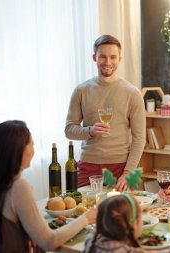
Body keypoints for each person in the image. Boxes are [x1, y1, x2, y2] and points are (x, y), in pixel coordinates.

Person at [0, 120, 97, 252]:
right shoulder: (19, 187)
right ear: (18, 150)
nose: (34, 150)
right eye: (32, 145)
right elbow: (49, 241)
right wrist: (85, 219)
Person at [65, 34, 146, 191]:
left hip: (120, 167)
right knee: (83, 212)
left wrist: (128, 172)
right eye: (102, 57)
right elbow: (69, 130)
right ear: (94, 57)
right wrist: (90, 131)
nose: (108, 62)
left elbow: (139, 138)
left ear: (119, 59)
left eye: (113, 57)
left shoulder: (132, 93)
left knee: (119, 215)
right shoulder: (81, 90)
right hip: (87, 166)